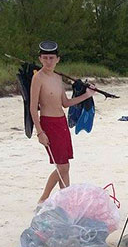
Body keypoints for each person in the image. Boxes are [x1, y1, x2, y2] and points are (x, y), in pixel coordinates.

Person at [30, 40, 96, 204]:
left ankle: (66, 201)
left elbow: (65, 103)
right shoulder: (38, 78)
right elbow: (32, 108)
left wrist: (87, 95)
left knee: (65, 165)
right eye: (45, 58)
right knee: (62, 167)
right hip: (48, 124)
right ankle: (43, 198)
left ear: (58, 59)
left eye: (51, 58)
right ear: (40, 59)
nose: (48, 61)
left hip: (61, 123)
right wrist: (40, 132)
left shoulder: (58, 77)